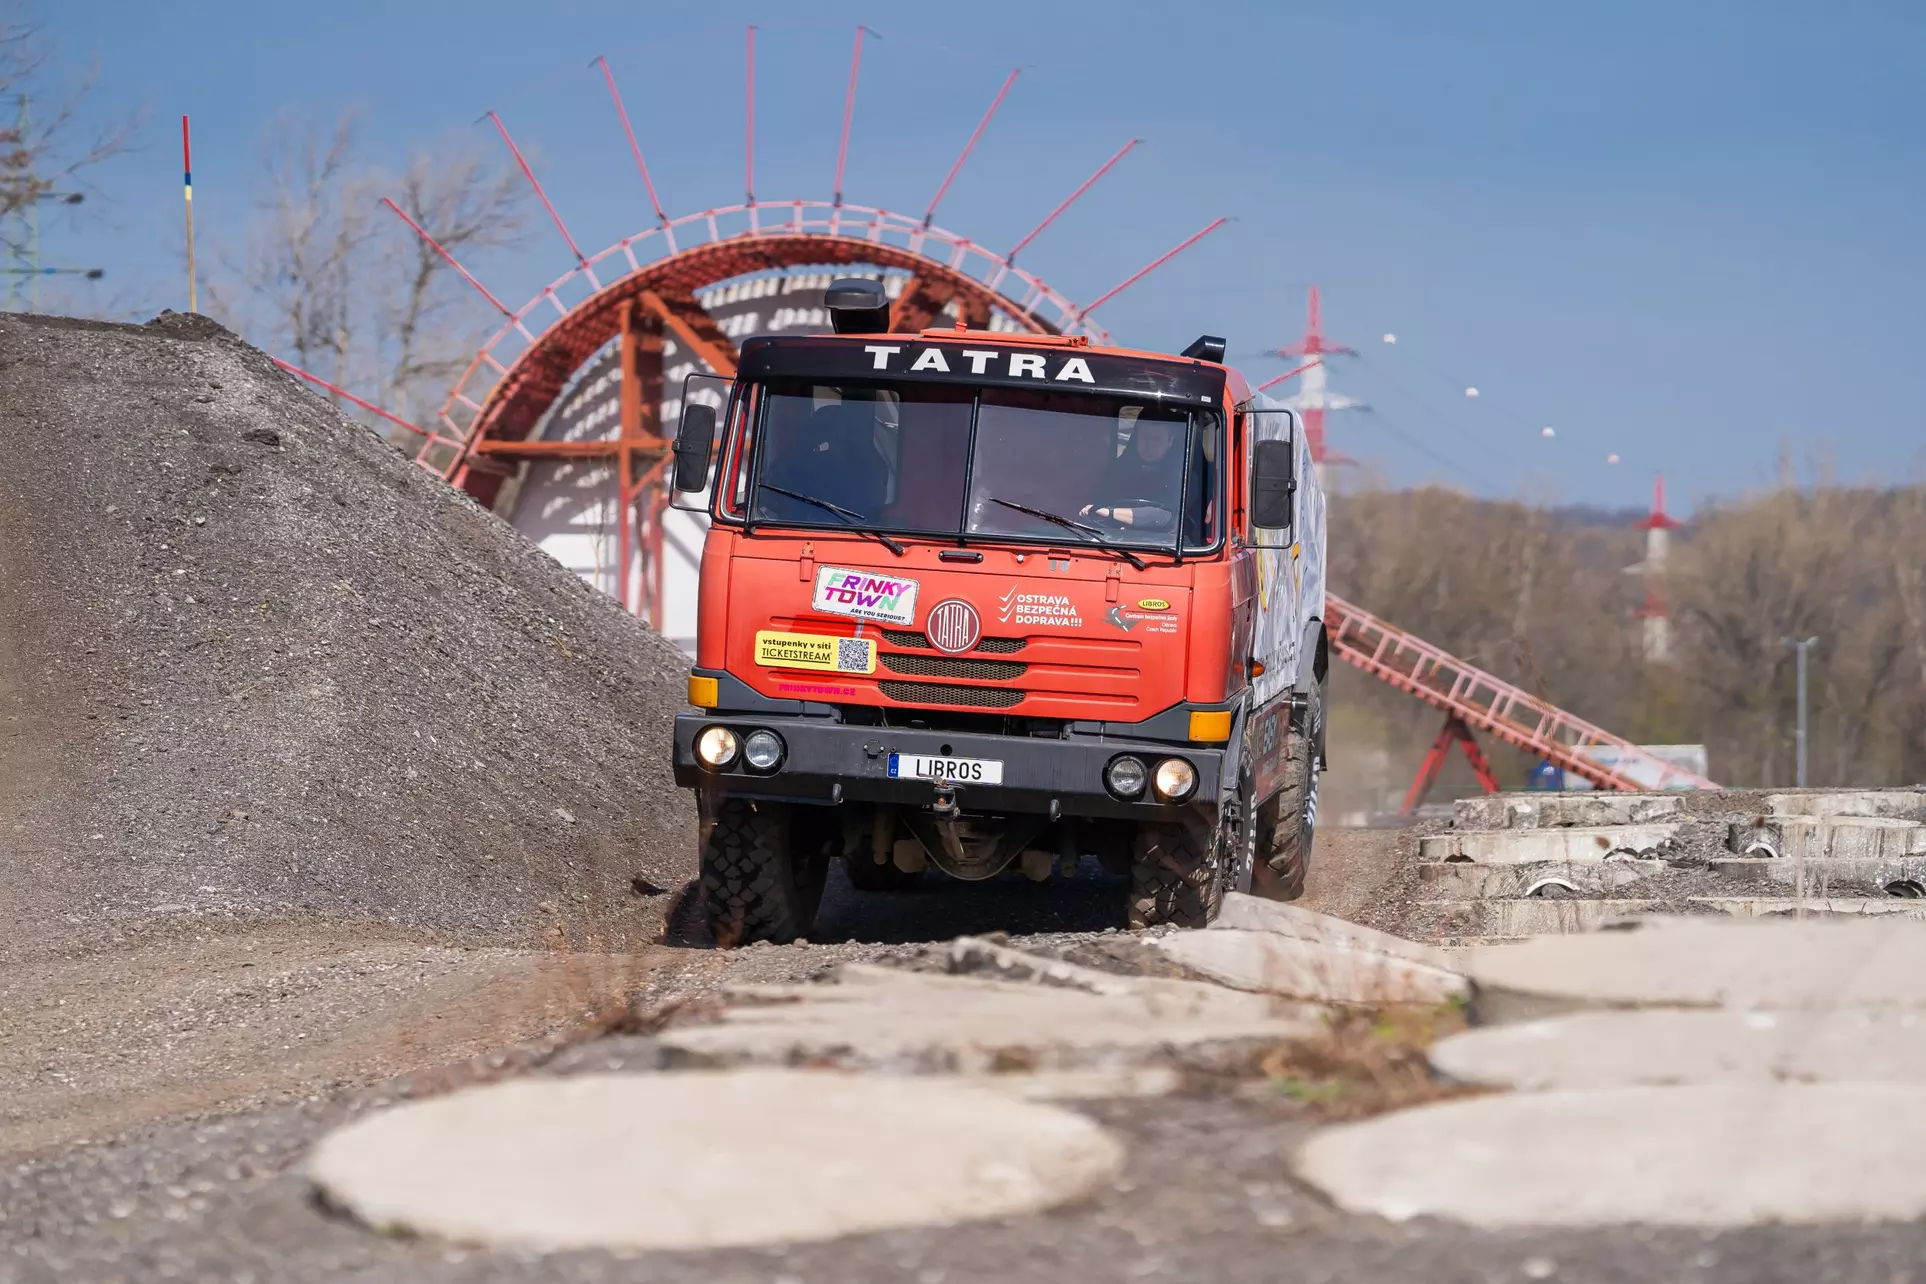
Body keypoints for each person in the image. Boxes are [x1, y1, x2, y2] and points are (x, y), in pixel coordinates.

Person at [1081, 416, 1208, 540]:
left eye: (1156, 439)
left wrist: (1111, 513)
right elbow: (1099, 503)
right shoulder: (1118, 470)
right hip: (1113, 541)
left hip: (1165, 546)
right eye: (1143, 437)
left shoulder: (1186, 476)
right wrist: (1092, 512)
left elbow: (1167, 517)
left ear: (1170, 441)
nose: (1148, 445)